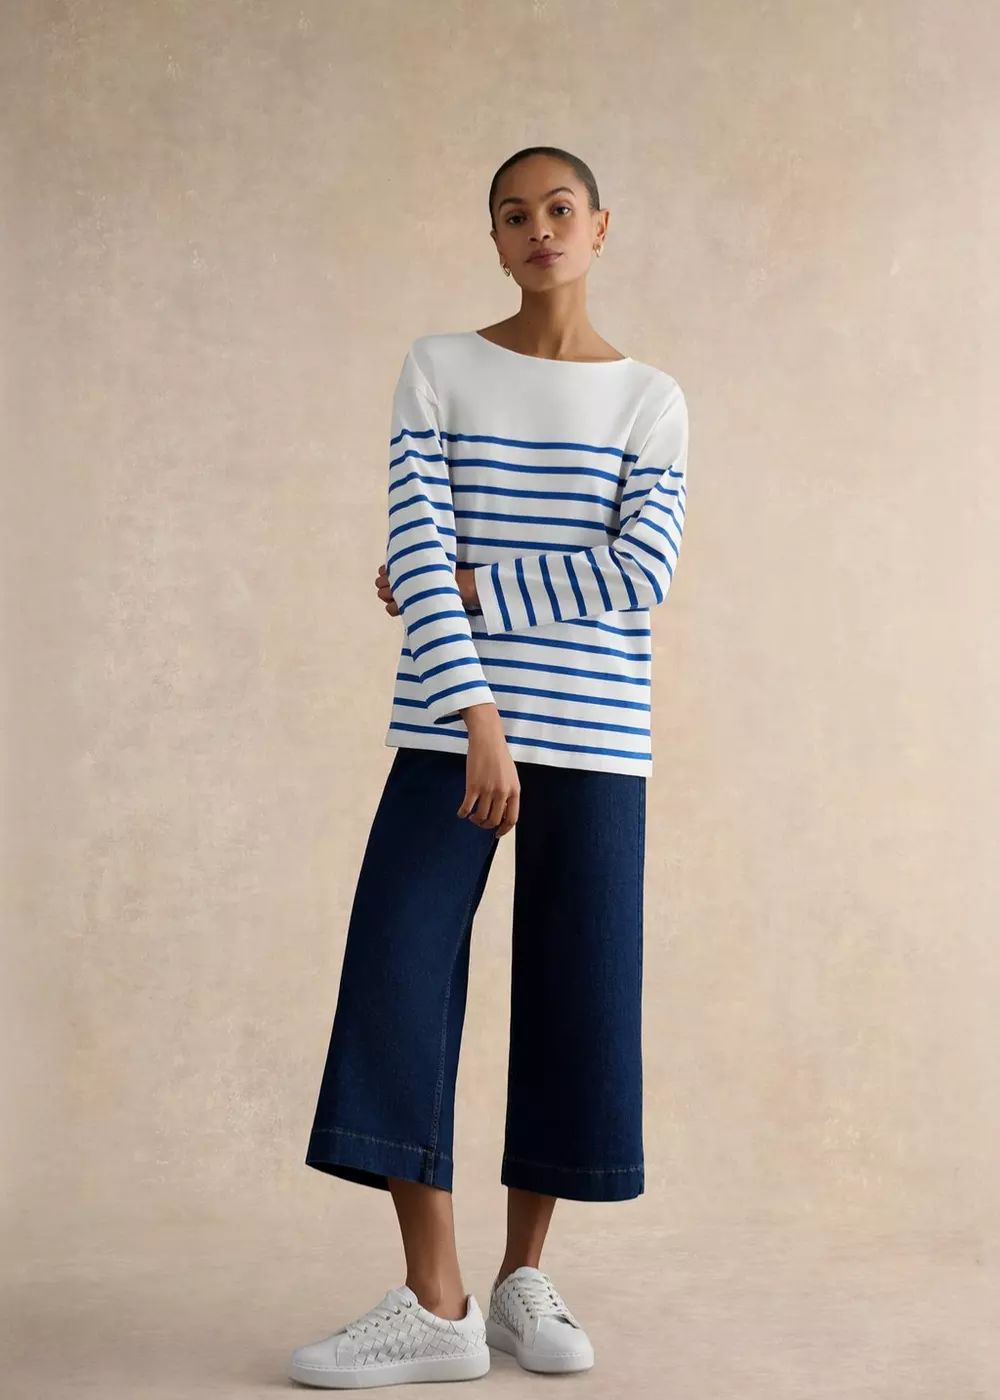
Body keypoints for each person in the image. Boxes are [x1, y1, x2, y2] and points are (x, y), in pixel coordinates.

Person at [289, 145, 690, 1389]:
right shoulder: (439, 367)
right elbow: (413, 544)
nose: (538, 228)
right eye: (514, 214)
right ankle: (437, 1298)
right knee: (398, 970)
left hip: (599, 734)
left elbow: (642, 569)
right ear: (496, 238)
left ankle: (522, 1276)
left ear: (600, 227)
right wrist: (478, 713)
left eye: (559, 209)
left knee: (577, 992)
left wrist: (471, 584)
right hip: (450, 724)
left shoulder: (650, 398)